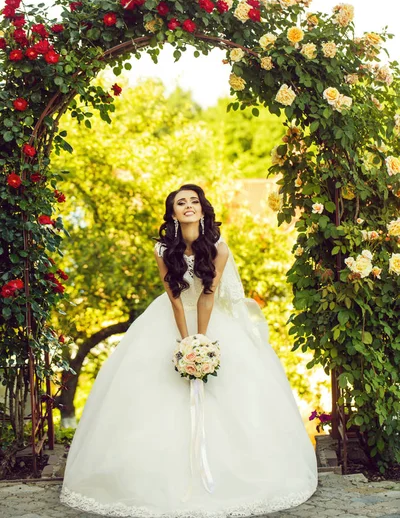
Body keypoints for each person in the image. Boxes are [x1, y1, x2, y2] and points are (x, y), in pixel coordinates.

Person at [60, 183, 318, 517]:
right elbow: (175, 298)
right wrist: (185, 343)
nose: (188, 206)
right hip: (172, 317)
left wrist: (204, 340)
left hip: (213, 320)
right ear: (172, 214)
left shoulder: (219, 249)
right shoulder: (162, 250)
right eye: (181, 203)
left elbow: (208, 295)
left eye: (194, 201)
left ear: (202, 209)